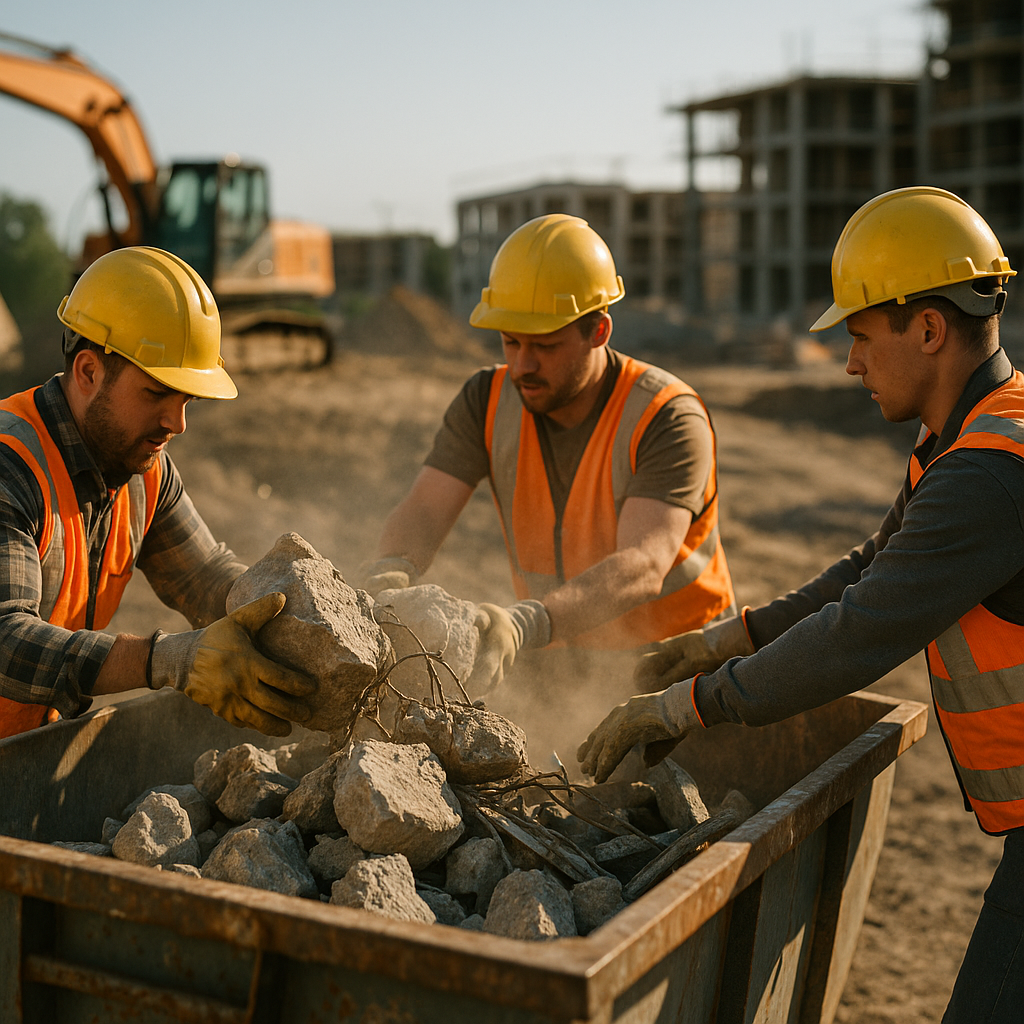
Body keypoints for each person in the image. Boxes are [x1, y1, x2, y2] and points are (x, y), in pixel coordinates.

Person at [577, 185, 1024, 1023]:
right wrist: (721, 640)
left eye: (859, 336)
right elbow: (867, 572)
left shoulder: (989, 472)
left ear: (928, 328)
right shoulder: (966, 438)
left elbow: (861, 631)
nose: (849, 362)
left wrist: (684, 707)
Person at [361, 214, 737, 690]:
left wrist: (523, 625)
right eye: (510, 341)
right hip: (559, 653)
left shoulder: (666, 415)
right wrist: (390, 569)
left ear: (599, 331)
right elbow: (424, 509)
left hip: (682, 664)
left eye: (545, 345)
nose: (522, 365)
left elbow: (644, 564)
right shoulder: (486, 400)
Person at [0, 246, 315, 740]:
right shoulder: (10, 465)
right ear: (88, 372)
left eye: (186, 398)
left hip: (24, 752)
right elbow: (5, 641)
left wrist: (293, 619)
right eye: (156, 394)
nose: (178, 423)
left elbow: (205, 575)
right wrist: (169, 659)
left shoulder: (145, 469)